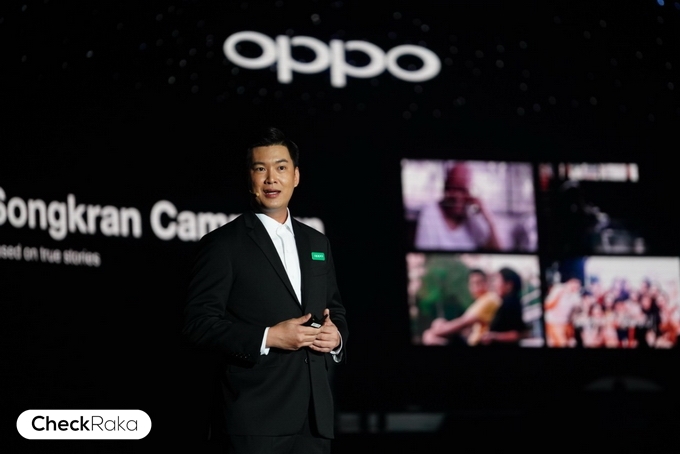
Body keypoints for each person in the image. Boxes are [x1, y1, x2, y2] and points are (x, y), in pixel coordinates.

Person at [182, 127, 348, 454]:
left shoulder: (317, 242)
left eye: (281, 167)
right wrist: (269, 337)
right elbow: (197, 324)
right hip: (254, 420)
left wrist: (336, 337)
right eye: (261, 168)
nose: (271, 178)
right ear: (250, 178)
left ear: (296, 176)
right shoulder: (223, 244)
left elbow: (335, 308)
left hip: (314, 421)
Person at [414, 162, 501, 251]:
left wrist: (485, 214)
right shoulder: (431, 212)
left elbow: (497, 249)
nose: (457, 196)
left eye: (463, 190)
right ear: (445, 188)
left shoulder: (472, 217)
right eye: (453, 188)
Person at [421, 268, 502, 346]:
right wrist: (440, 326)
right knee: (437, 324)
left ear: (486, 282)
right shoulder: (481, 300)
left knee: (430, 336)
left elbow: (462, 323)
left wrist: (434, 332)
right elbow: (466, 326)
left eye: (479, 282)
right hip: (471, 340)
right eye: (472, 284)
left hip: (478, 343)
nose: (476, 287)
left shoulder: (489, 299)